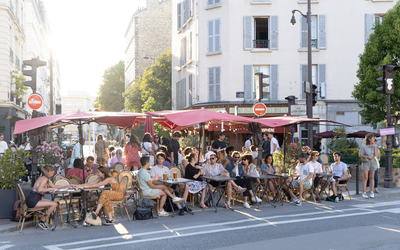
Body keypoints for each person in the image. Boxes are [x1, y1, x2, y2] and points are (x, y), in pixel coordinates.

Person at [26, 164, 73, 230]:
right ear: (47, 172)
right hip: (34, 200)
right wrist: (50, 189)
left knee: (52, 203)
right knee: (54, 204)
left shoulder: (45, 178)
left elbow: (54, 186)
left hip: (35, 198)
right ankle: (42, 221)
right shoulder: (44, 179)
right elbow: (40, 189)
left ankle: (41, 220)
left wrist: (65, 186)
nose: (53, 172)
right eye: (51, 171)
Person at [359, 133, 379, 199]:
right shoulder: (363, 146)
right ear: (369, 139)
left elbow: (375, 155)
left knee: (372, 177)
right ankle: (364, 192)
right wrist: (367, 157)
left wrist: (375, 147)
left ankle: (372, 192)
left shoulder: (374, 146)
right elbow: (360, 155)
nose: (374, 139)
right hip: (366, 162)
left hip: (373, 162)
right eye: (372, 138)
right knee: (365, 178)